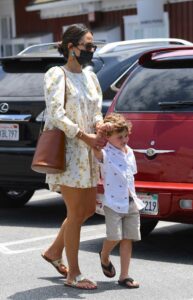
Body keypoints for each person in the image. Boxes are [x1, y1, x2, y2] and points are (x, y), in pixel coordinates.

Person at [41, 23, 105, 290]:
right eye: (87, 46)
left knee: (88, 210)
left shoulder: (90, 76)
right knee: (75, 213)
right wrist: (84, 135)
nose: (91, 50)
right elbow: (56, 114)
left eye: (93, 46)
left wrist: (100, 126)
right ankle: (74, 274)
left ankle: (54, 252)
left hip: (90, 152)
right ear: (71, 47)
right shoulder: (57, 74)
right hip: (69, 153)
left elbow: (96, 108)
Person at [93, 113, 145, 289]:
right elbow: (96, 151)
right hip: (113, 202)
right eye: (119, 137)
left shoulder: (129, 151)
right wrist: (100, 134)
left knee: (127, 238)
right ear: (108, 138)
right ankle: (104, 255)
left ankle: (124, 276)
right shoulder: (105, 153)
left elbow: (131, 176)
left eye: (126, 136)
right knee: (114, 236)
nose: (124, 140)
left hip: (131, 200)